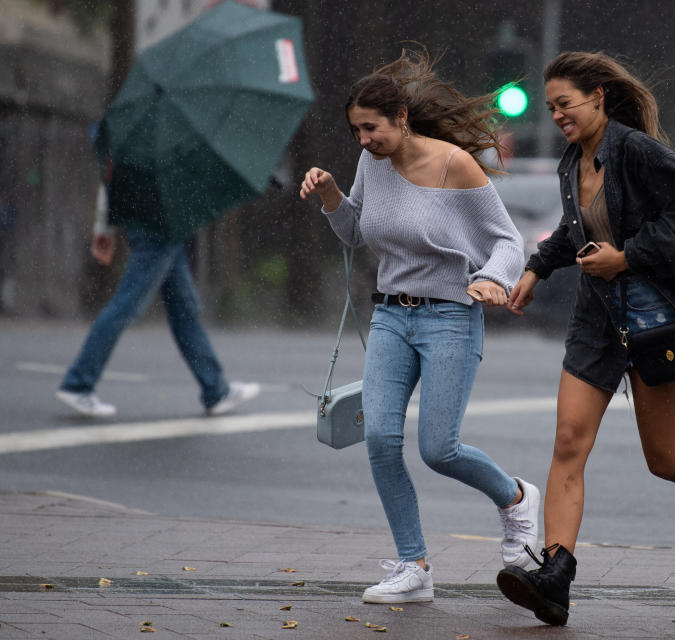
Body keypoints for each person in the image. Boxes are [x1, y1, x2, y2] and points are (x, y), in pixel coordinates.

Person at [496, 51, 675, 626]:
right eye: (551, 106)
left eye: (566, 103)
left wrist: (627, 256)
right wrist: (536, 268)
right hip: (596, 320)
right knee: (568, 442)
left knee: (664, 457)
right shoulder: (570, 163)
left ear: (599, 97)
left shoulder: (636, 150)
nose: (557, 114)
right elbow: (575, 228)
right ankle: (555, 574)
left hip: (656, 317)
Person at [299, 48, 540, 605]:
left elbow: (507, 240)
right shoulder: (369, 165)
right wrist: (334, 196)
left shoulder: (455, 164)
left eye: (372, 128)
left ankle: (515, 498)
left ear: (401, 118)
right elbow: (358, 233)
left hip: (451, 316)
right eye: (356, 130)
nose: (364, 139)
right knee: (381, 439)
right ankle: (414, 566)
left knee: (439, 448)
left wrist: (492, 279)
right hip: (390, 314)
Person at [56, 179, 261, 418]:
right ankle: (78, 383)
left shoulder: (126, 143)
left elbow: (109, 175)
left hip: (152, 221)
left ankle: (215, 389)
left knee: (184, 309)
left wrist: (104, 228)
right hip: (160, 224)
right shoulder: (157, 143)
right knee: (126, 305)